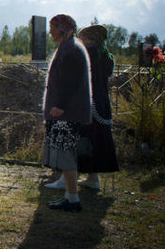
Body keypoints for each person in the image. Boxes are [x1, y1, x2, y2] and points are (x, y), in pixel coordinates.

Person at [41, 14, 92, 212]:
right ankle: (70, 196)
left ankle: (72, 198)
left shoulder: (71, 49)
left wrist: (60, 105)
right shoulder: (70, 46)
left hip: (66, 112)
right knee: (65, 152)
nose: (50, 32)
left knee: (65, 153)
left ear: (62, 28)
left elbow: (69, 82)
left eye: (53, 27)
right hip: (65, 111)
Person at [74, 24, 119, 189]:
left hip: (89, 102)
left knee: (85, 138)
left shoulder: (88, 54)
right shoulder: (106, 56)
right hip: (101, 102)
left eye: (82, 38)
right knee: (98, 139)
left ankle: (75, 175)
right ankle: (93, 177)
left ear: (90, 39)